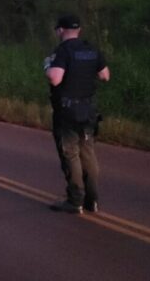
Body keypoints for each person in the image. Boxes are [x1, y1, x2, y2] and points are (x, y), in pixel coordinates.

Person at [44, 15, 110, 214]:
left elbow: (55, 79)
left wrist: (47, 66)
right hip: (88, 110)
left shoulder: (63, 51)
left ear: (60, 30)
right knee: (88, 152)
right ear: (79, 30)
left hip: (67, 112)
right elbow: (105, 75)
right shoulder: (91, 49)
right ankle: (92, 200)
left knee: (70, 154)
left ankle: (75, 200)